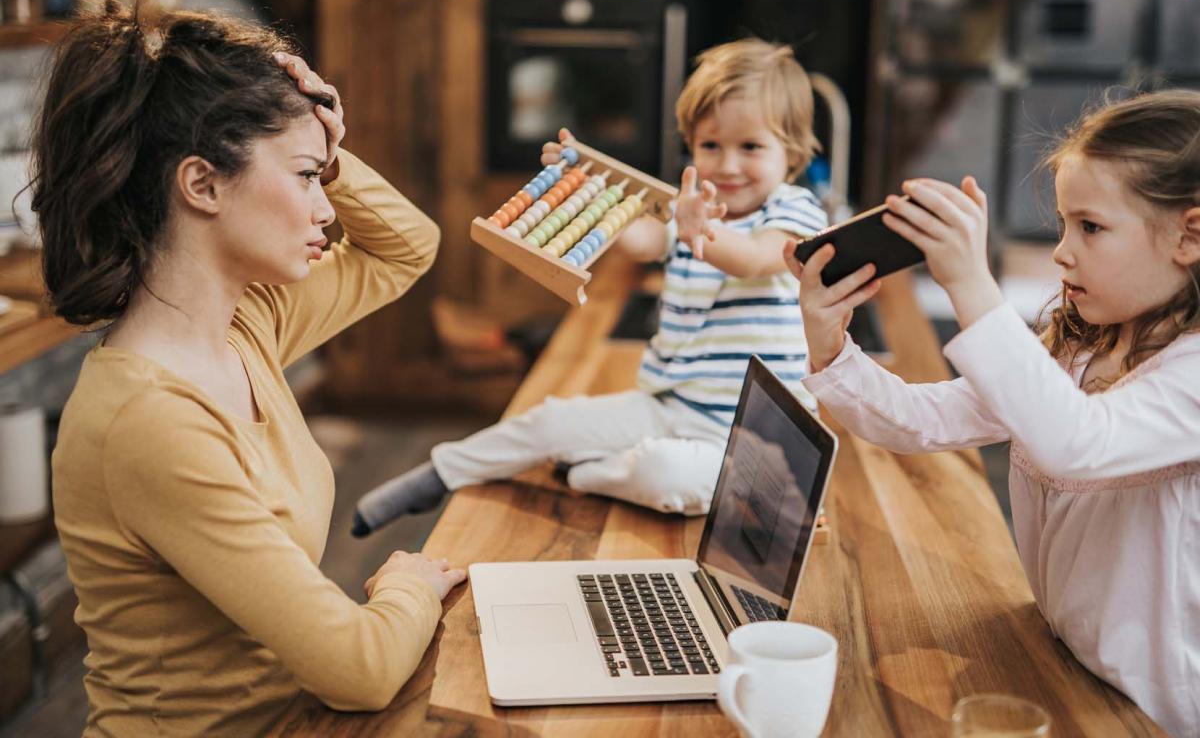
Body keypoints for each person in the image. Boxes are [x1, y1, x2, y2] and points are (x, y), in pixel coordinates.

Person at [37, 2, 466, 737]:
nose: (326, 207)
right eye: (305, 177)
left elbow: (406, 248)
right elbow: (360, 669)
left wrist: (327, 144)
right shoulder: (149, 421)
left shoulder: (244, 326)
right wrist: (405, 582)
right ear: (202, 185)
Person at [786, 89, 1200, 736]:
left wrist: (970, 285)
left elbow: (1079, 443)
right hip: (1064, 661)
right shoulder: (1086, 345)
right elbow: (923, 418)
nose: (1062, 252)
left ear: (1190, 235)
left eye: (1090, 227)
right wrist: (830, 342)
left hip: (1154, 714)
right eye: (1064, 224)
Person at [353, 37, 829, 532]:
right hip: (670, 406)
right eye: (711, 146)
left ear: (791, 152)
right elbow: (642, 239)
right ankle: (442, 472)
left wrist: (694, 228)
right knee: (552, 420)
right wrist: (586, 186)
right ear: (691, 145)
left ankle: (589, 474)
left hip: (755, 439)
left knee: (665, 472)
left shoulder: (794, 213)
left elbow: (752, 259)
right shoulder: (690, 210)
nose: (728, 165)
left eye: (750, 147)